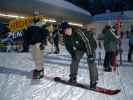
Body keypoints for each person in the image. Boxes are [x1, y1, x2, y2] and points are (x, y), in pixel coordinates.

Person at [61, 22, 98, 89]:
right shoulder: (65, 36)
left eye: (66, 30)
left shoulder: (78, 31)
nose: (66, 32)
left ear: (69, 28)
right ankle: (73, 78)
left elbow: (87, 42)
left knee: (91, 62)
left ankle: (93, 82)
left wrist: (90, 55)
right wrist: (73, 54)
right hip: (80, 48)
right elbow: (68, 46)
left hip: (90, 46)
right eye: (64, 31)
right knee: (74, 60)